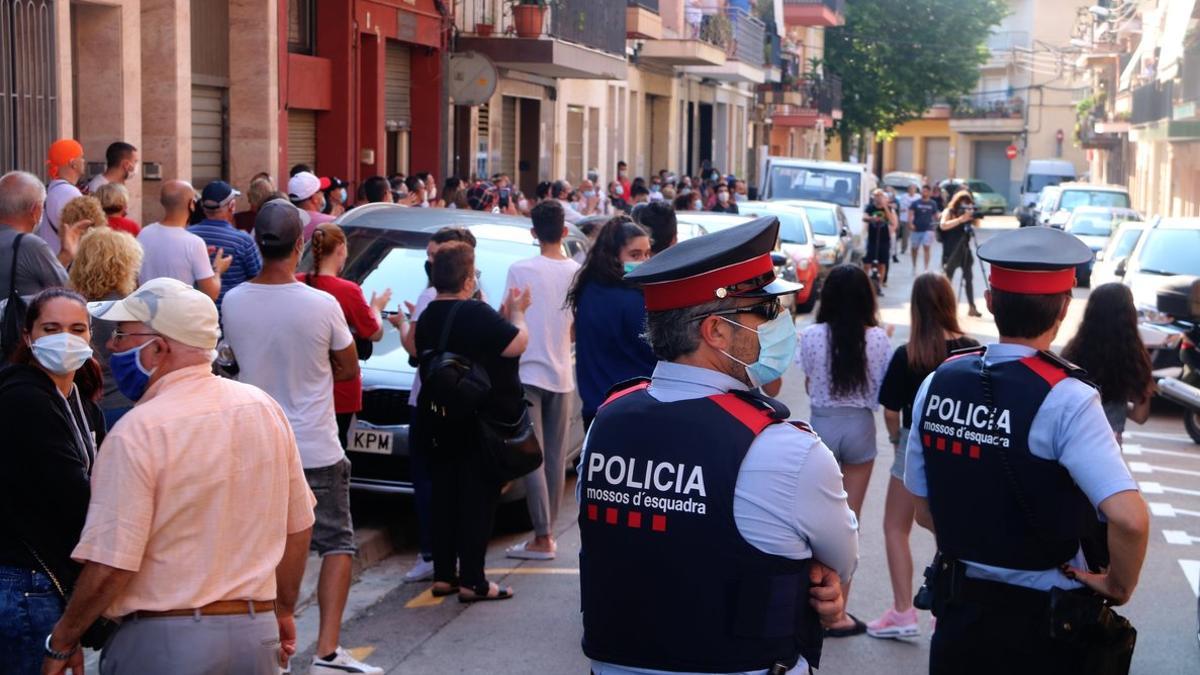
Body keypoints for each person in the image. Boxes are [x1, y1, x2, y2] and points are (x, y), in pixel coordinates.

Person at [580, 216, 858, 675]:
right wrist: (824, 586)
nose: (779, 322)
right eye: (765, 312)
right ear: (716, 332)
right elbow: (840, 561)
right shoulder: (787, 451)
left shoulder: (606, 423)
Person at [905, 226, 1149, 673]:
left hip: (960, 616)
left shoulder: (938, 380)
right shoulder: (1067, 397)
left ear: (992, 303)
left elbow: (923, 512)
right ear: (1064, 307)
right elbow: (1130, 519)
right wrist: (1118, 585)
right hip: (1045, 624)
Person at [41, 278, 316, 675]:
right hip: (254, 635)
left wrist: (64, 639)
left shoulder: (139, 431)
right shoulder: (262, 408)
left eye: (121, 334)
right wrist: (284, 609)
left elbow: (113, 561)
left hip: (164, 642)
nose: (110, 346)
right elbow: (298, 526)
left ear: (157, 349)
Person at [220, 201, 380, 674]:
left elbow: (230, 361)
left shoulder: (232, 301)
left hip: (255, 445)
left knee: (260, 547)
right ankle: (326, 652)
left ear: (255, 243)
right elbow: (349, 366)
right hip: (314, 444)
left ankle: (271, 650)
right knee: (336, 543)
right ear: (300, 246)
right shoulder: (322, 304)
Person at [416, 241, 530, 602]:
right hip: (475, 420)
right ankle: (474, 581)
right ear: (468, 279)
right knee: (477, 500)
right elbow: (516, 344)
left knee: (444, 497)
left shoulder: (428, 315)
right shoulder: (475, 312)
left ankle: (444, 576)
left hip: (435, 419)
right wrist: (519, 313)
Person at [869, 273, 978, 639]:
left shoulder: (908, 353)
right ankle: (946, 610)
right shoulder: (972, 350)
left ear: (916, 308)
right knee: (953, 530)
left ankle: (903, 612)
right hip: (960, 451)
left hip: (913, 447)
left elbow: (889, 410)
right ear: (950, 303)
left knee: (895, 527)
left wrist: (896, 441)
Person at [0, 289, 103, 673]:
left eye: (77, 329)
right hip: (25, 582)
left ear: (91, 336)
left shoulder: (84, 404)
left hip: (53, 582)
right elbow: (76, 498)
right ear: (28, 336)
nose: (65, 339)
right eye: (51, 328)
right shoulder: (22, 398)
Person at [797, 263, 892, 638]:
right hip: (859, 428)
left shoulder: (811, 335)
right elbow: (880, 390)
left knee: (811, 520)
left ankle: (805, 602)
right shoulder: (878, 339)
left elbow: (807, 383)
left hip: (821, 425)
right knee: (849, 521)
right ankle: (836, 614)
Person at [393, 226, 479, 584]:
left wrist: (402, 326)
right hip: (464, 402)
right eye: (428, 256)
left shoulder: (433, 297)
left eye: (435, 256)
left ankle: (432, 553)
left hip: (428, 401)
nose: (430, 262)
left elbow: (414, 348)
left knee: (429, 480)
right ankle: (454, 556)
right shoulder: (476, 298)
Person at [503, 201, 581, 561]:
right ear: (564, 231)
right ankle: (545, 535)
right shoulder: (576, 272)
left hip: (528, 369)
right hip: (562, 372)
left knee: (532, 456)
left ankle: (543, 536)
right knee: (554, 458)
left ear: (533, 233)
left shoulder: (520, 269)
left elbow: (508, 316)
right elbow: (577, 325)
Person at [300, 222, 391, 444]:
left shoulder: (299, 282)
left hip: (304, 385)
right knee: (336, 449)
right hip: (339, 391)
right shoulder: (348, 291)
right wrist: (376, 308)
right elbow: (374, 333)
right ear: (341, 248)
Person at [568, 217, 657, 427]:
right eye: (635, 254)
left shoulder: (588, 290)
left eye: (647, 254)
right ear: (614, 256)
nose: (644, 260)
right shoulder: (633, 300)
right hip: (632, 412)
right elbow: (656, 351)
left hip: (595, 409)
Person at [68, 227, 143, 426]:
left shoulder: (70, 306)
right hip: (121, 403)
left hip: (81, 405)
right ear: (124, 265)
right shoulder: (127, 310)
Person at [1062, 283, 1155, 444]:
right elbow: (1140, 417)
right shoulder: (1135, 356)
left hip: (1072, 438)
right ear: (1129, 315)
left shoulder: (1073, 352)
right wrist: (1118, 407)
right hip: (1108, 444)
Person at [140, 179, 231, 301]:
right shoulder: (194, 243)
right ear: (191, 204)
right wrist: (218, 269)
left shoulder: (144, 234)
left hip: (146, 314)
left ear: (162, 202)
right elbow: (211, 294)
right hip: (178, 317)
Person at [0, 172, 78, 305]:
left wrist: (65, 255)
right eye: (43, 207)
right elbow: (69, 296)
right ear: (35, 210)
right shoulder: (29, 245)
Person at [189, 180, 263, 310]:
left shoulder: (188, 236)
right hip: (232, 315)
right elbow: (259, 280)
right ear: (231, 206)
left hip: (194, 315)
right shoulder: (243, 241)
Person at [37, 139, 88, 257]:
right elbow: (83, 234)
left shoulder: (55, 189)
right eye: (81, 157)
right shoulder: (69, 193)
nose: (84, 161)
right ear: (73, 163)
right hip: (66, 266)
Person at [940, 189, 982, 317]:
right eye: (962, 204)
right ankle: (944, 308)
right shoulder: (949, 211)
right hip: (951, 250)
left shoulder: (968, 214)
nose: (964, 206)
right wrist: (960, 219)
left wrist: (971, 215)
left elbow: (977, 224)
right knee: (947, 280)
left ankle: (972, 307)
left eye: (968, 203)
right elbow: (943, 225)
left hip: (964, 250)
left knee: (969, 279)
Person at [862, 190, 897, 295]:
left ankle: (879, 286)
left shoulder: (888, 208)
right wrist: (872, 218)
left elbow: (892, 221)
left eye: (880, 196)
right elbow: (864, 217)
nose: (878, 198)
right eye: (876, 196)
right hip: (872, 239)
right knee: (867, 262)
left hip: (884, 239)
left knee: (882, 263)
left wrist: (885, 207)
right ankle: (865, 283)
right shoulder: (870, 207)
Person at [289, 172, 335, 238]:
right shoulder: (331, 223)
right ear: (314, 198)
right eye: (320, 191)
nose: (323, 194)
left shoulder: (282, 222)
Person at [908, 185, 939, 272]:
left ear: (929, 192)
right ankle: (914, 266)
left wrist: (938, 222)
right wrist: (910, 224)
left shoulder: (933, 203)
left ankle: (926, 268)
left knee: (926, 247)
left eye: (925, 191)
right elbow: (910, 214)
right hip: (916, 228)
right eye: (922, 191)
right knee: (914, 248)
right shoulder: (915, 203)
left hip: (928, 229)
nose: (923, 192)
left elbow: (935, 215)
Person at [895, 184, 919, 259]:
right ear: (908, 190)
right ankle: (894, 248)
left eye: (913, 189)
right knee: (898, 234)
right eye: (910, 189)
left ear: (915, 190)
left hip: (912, 219)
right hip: (902, 217)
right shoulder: (904, 196)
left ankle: (903, 248)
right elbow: (901, 207)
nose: (912, 190)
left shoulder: (918, 197)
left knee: (905, 235)